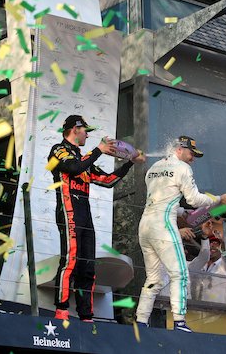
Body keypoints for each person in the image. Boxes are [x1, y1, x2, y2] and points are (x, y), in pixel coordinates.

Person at [49, 115, 145, 322]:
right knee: (71, 260)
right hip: (69, 212)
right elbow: (73, 167)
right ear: (75, 129)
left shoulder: (84, 160)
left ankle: (86, 315)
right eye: (85, 130)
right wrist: (98, 150)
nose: (88, 134)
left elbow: (108, 180)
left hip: (85, 216)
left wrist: (130, 162)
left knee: (88, 267)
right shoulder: (58, 149)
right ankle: (62, 309)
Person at [135, 136, 226, 332]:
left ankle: (140, 321)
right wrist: (218, 200)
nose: (193, 159)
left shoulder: (154, 168)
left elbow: (161, 198)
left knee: (153, 279)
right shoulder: (182, 168)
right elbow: (195, 199)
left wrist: (180, 211)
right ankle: (180, 322)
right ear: (179, 149)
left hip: (145, 226)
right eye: (191, 153)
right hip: (163, 225)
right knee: (180, 274)